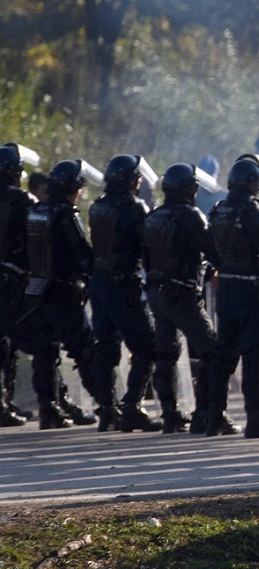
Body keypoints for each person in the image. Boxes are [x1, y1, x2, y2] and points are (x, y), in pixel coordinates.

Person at [20, 160, 100, 428]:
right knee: (85, 349)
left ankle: (48, 408)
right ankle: (108, 405)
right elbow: (83, 257)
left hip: (37, 290)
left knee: (45, 351)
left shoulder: (36, 211)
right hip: (64, 292)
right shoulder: (66, 215)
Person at [87, 154, 162, 432]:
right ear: (129, 179)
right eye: (137, 177)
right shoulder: (134, 207)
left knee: (105, 346)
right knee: (146, 346)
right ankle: (132, 407)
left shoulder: (97, 205)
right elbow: (148, 245)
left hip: (99, 281)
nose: (140, 181)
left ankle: (107, 410)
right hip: (124, 283)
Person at [144, 163, 220, 434]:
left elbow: (147, 257)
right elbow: (212, 250)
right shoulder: (191, 216)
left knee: (165, 354)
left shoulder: (154, 215)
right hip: (182, 294)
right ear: (189, 188)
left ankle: (170, 415)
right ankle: (203, 414)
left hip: (157, 292)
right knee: (211, 352)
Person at [207, 157, 259, 437]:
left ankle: (215, 415)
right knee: (254, 353)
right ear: (254, 183)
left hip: (226, 287)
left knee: (224, 352)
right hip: (252, 289)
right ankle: (256, 417)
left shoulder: (218, 209)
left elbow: (211, 250)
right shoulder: (256, 212)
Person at [0, 144, 38, 427]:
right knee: (12, 341)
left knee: (7, 343)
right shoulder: (19, 200)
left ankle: (6, 399)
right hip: (11, 279)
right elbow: (37, 235)